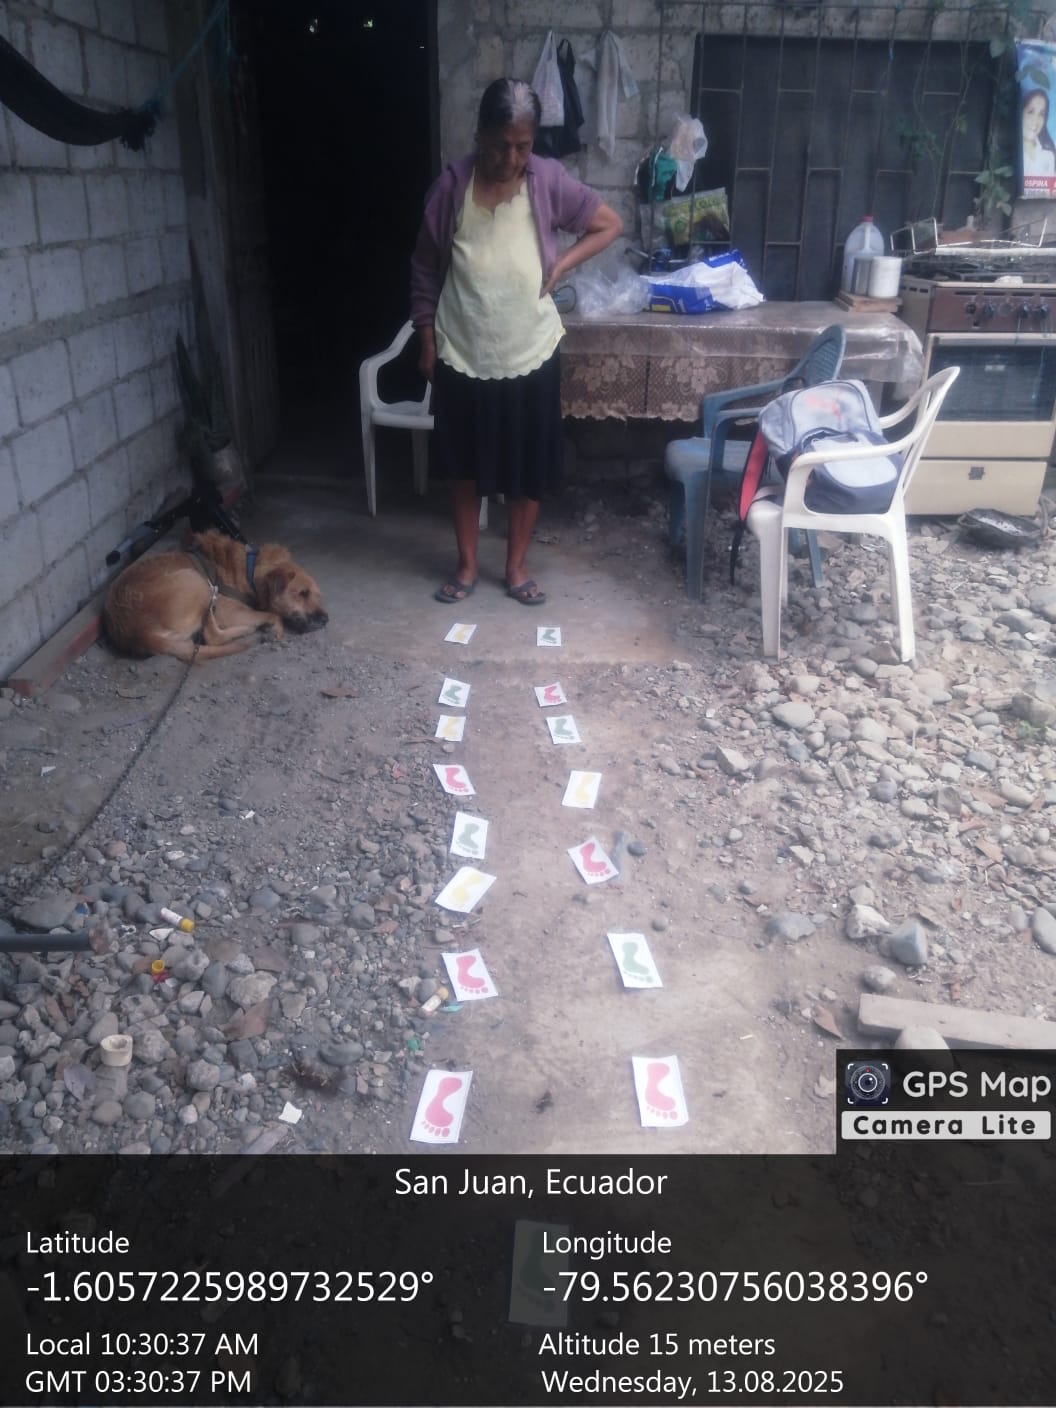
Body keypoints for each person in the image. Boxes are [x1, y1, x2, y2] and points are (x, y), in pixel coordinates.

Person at [410, 78, 623, 605]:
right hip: (463, 349)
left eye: (523, 147)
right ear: (480, 135)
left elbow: (607, 225)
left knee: (525, 468)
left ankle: (516, 567)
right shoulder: (451, 189)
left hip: (531, 350)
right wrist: (426, 338)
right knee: (464, 467)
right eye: (501, 145)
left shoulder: (545, 180)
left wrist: (562, 263)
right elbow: (424, 268)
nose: (511, 158)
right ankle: (466, 566)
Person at [1021, 88, 1056, 179]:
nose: (1035, 120)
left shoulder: (1049, 155)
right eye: (1031, 112)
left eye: (1041, 114)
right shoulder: (1010, 153)